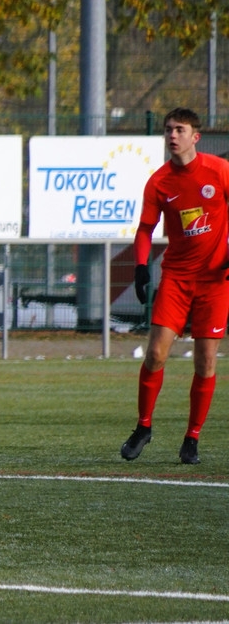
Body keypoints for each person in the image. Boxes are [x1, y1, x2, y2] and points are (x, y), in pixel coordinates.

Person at [122, 106, 229, 465]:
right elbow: (145, 229)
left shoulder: (219, 171)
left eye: (179, 130)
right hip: (177, 280)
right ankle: (143, 427)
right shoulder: (159, 181)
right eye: (168, 129)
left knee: (206, 361)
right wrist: (140, 267)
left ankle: (192, 438)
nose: (172, 135)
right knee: (155, 354)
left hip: (215, 282)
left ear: (195, 137)